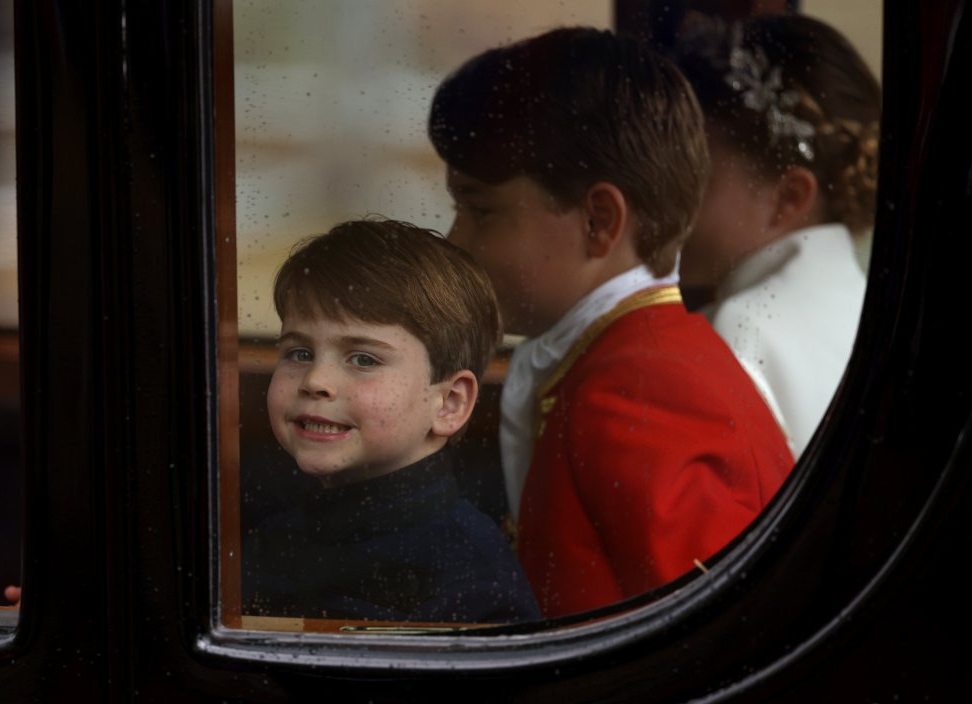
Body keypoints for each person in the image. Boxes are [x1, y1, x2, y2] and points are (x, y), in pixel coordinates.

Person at [428, 27, 793, 618]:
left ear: (599, 221)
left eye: (480, 211)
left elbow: (702, 641)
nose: (456, 240)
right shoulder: (623, 362)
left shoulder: (639, 394)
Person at [246, 219, 540, 624]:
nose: (315, 381)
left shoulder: (471, 584)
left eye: (363, 359)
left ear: (449, 403)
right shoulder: (274, 539)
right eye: (299, 353)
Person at [674, 15, 881, 454]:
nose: (665, 199)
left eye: (693, 177)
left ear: (788, 197)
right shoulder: (872, 307)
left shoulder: (738, 334)